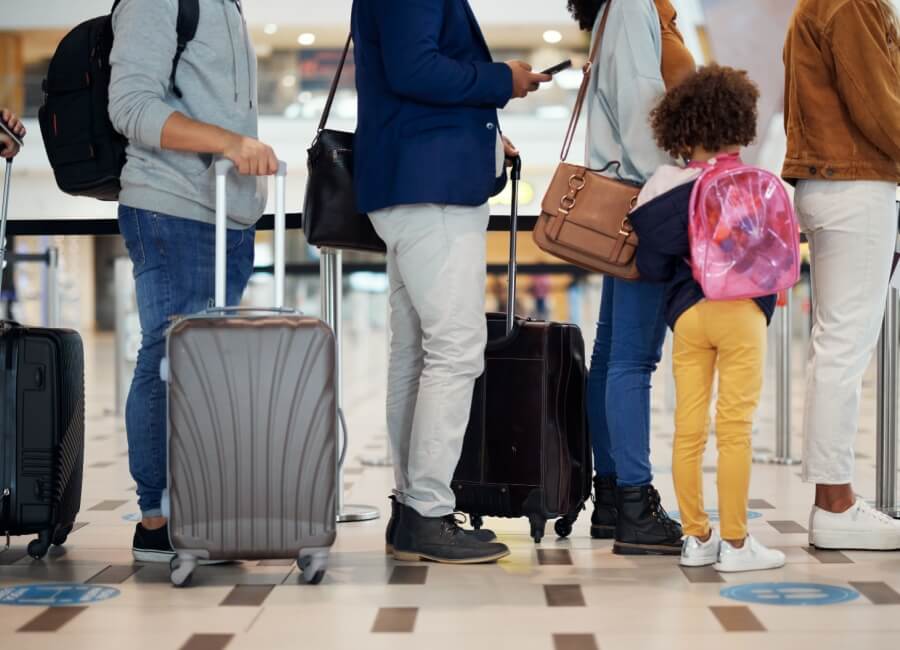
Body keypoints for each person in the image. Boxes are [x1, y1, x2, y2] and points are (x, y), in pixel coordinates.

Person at [352, 0, 549, 564]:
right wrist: (500, 80)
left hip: (414, 184)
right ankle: (428, 511)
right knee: (456, 349)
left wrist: (485, 139)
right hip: (430, 191)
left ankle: (415, 508)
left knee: (416, 353)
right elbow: (415, 69)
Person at [108, 0, 278, 563]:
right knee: (168, 355)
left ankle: (200, 508)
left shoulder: (224, 5)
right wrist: (227, 143)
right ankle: (156, 520)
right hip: (171, 207)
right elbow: (130, 106)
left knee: (201, 366)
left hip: (227, 212)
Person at [629, 65, 787, 572]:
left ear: (677, 127)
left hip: (690, 316)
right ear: (739, 122)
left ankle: (696, 539)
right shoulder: (756, 183)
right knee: (735, 428)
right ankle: (738, 546)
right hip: (743, 315)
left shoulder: (662, 184)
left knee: (688, 428)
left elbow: (649, 264)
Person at [567, 0, 694, 555]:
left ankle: (616, 497)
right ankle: (635, 502)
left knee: (613, 352)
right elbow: (645, 112)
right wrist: (672, 194)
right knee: (632, 359)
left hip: (635, 194)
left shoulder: (630, 8)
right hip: (648, 199)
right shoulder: (634, 6)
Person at [783, 0, 900, 550]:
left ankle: (834, 498)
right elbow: (879, 108)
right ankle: (835, 504)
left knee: (834, 346)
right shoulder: (850, 3)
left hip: (832, 182)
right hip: (854, 185)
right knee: (844, 349)